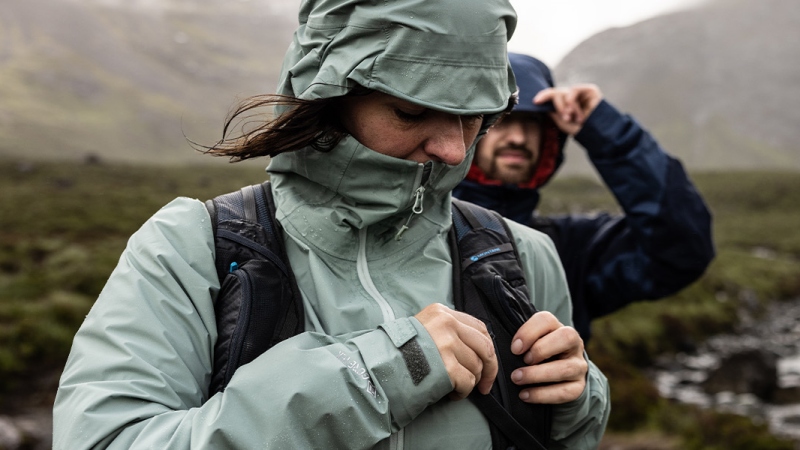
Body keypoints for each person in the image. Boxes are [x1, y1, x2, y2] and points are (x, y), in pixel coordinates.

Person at [53, 2, 610, 448]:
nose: (453, 147)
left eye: (475, 114)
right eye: (412, 112)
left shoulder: (521, 254)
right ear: (327, 93)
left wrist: (578, 405)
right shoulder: (189, 248)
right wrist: (377, 376)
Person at [453, 53, 715, 343]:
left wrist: (607, 130)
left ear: (551, 139)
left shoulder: (572, 251)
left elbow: (682, 248)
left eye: (533, 123)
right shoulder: (417, 232)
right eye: (502, 119)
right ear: (470, 126)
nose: (518, 137)